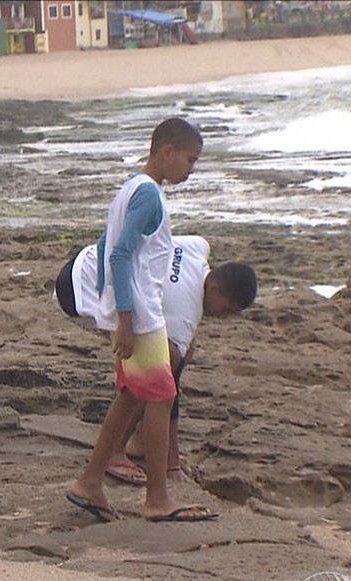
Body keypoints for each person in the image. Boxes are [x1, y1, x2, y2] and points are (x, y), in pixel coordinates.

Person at [65, 117, 217, 524]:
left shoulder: (131, 188)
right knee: (160, 397)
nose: (191, 170)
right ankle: (157, 498)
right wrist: (127, 320)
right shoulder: (149, 196)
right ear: (166, 152)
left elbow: (106, 243)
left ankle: (90, 482)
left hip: (133, 310)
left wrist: (108, 308)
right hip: (143, 315)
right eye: (190, 160)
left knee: (133, 395)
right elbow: (117, 256)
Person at [55, 235, 257, 485]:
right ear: (214, 288)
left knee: (179, 353)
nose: (223, 318)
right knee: (151, 376)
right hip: (77, 293)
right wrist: (171, 464)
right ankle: (116, 451)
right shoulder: (184, 315)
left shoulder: (197, 247)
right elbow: (164, 383)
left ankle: (141, 440)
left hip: (88, 260)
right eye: (226, 310)